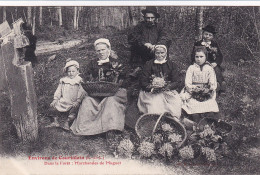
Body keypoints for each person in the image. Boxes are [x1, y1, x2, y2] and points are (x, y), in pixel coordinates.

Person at [70, 38, 127, 138]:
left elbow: (124, 79)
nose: (101, 52)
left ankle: (110, 129)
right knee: (87, 101)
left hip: (113, 92)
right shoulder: (92, 63)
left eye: (103, 50)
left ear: (108, 49)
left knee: (110, 101)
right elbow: (85, 77)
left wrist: (118, 81)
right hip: (95, 92)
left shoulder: (115, 62)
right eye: (98, 50)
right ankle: (88, 130)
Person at [137, 45, 182, 118]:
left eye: (162, 53)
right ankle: (156, 119)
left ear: (166, 53)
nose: (160, 55)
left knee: (175, 102)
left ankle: (170, 119)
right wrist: (152, 88)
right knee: (155, 103)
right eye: (157, 53)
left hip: (167, 91)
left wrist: (166, 87)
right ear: (154, 53)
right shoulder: (149, 64)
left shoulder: (171, 65)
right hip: (151, 92)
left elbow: (176, 81)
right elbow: (143, 80)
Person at [128, 6, 171, 77]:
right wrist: (144, 43)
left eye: (152, 18)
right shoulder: (139, 26)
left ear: (155, 18)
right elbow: (133, 37)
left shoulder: (160, 27)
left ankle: (161, 70)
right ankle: (137, 68)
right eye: (148, 18)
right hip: (142, 52)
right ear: (144, 17)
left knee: (163, 49)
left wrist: (158, 45)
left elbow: (165, 37)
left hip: (155, 51)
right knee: (135, 46)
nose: (150, 20)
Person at [181, 46, 219, 123]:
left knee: (209, 107)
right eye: (197, 57)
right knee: (194, 109)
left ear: (206, 57)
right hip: (193, 91)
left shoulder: (209, 68)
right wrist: (194, 89)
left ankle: (209, 123)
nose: (199, 59)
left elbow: (213, 82)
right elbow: (188, 83)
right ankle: (197, 123)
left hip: (206, 91)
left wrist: (209, 89)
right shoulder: (191, 68)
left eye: (201, 57)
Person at [46, 60, 86, 130]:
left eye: (73, 71)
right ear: (66, 72)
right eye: (69, 71)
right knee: (53, 106)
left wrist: (78, 101)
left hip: (73, 102)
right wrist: (55, 99)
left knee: (75, 110)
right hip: (64, 100)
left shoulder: (79, 80)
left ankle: (67, 122)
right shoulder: (63, 80)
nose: (71, 73)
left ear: (77, 71)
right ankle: (55, 121)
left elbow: (82, 91)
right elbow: (59, 90)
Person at [191, 25, 226, 94]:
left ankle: (221, 85)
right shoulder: (198, 43)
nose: (207, 36)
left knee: (217, 70)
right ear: (203, 34)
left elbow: (220, 56)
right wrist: (194, 62)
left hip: (212, 62)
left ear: (212, 37)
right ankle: (211, 86)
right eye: (206, 34)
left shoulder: (214, 44)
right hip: (200, 62)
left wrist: (216, 62)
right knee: (202, 72)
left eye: (210, 35)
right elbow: (193, 55)